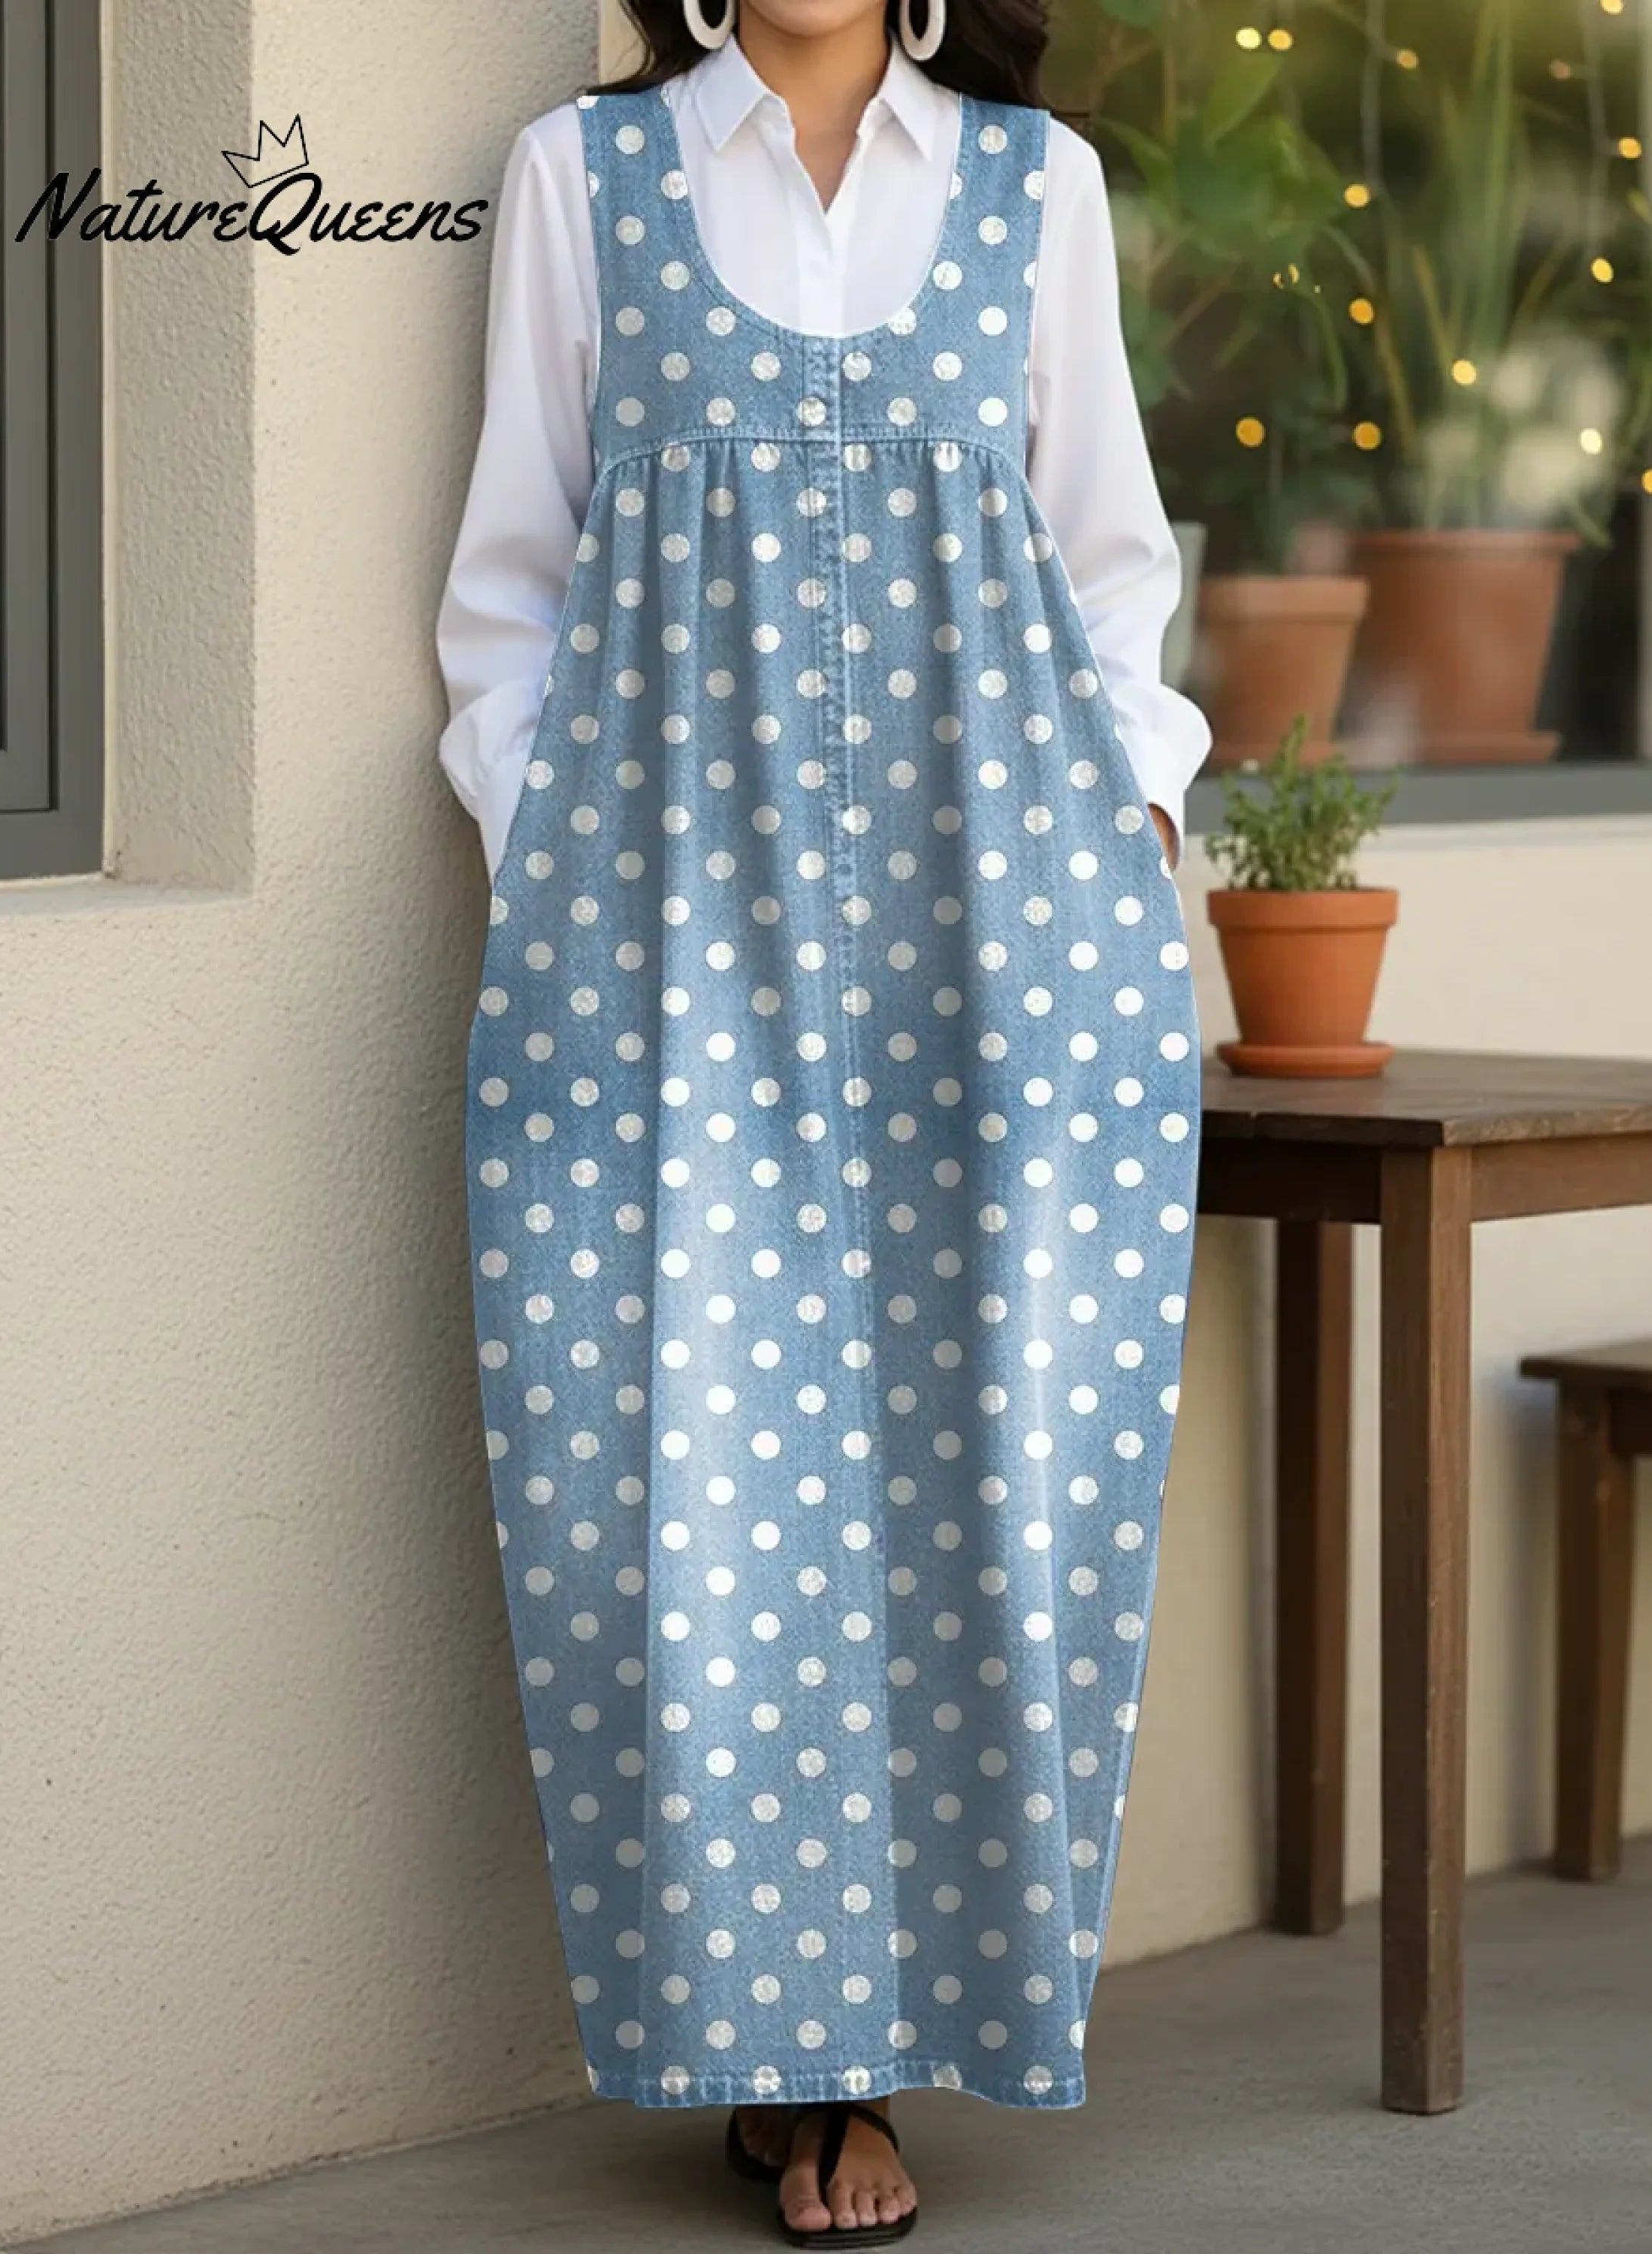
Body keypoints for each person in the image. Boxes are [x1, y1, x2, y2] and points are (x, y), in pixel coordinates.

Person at [435, 0, 1210, 2240]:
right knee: (682, 1468)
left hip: (1001, 917)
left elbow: (1108, 557)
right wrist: (552, 850)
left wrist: (1134, 812)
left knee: (985, 1455)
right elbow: (511, 581)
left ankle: (876, 2065)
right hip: (666, 921)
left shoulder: (1034, 187)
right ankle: (775, 2058)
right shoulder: (584, 181)